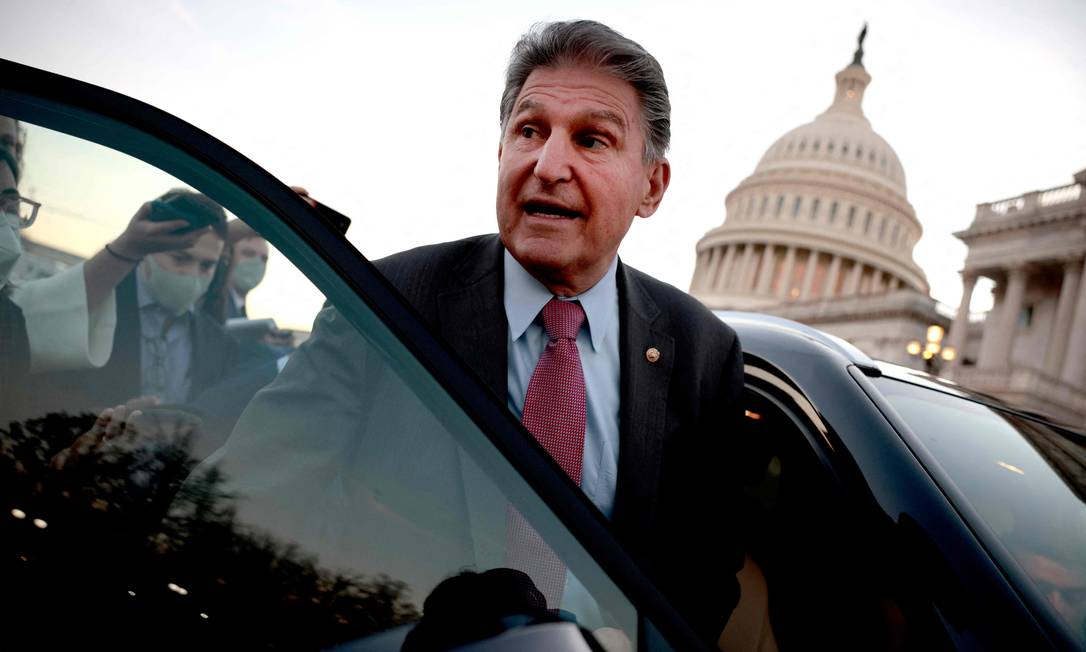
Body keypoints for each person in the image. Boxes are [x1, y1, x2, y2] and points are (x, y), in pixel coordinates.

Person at [199, 20, 744, 646]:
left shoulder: (701, 351)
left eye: (592, 140)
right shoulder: (383, 304)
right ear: (501, 150)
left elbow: (704, 575)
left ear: (652, 186)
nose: (548, 164)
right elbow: (238, 505)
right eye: (530, 131)